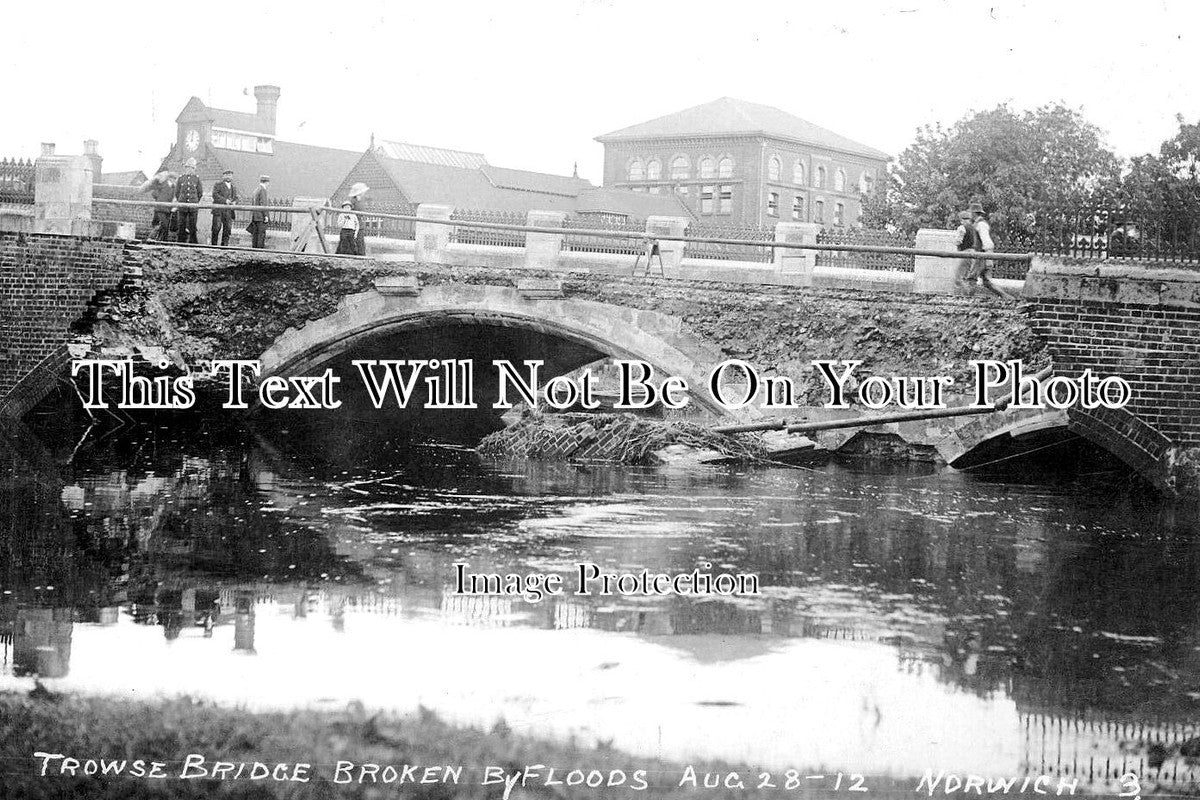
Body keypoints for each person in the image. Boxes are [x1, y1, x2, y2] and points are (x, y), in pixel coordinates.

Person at [967, 202, 1014, 299]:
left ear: (974, 213)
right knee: (986, 281)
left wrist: (987, 256)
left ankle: (968, 299)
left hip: (981, 255)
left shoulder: (981, 224)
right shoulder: (978, 224)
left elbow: (987, 242)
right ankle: (1007, 297)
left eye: (971, 213)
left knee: (971, 278)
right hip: (982, 254)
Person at [139, 170, 176, 241]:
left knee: (165, 226)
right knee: (161, 225)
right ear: (170, 178)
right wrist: (160, 199)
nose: (174, 181)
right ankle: (151, 238)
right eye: (173, 179)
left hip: (168, 209)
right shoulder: (163, 184)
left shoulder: (173, 187)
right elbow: (154, 194)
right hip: (160, 208)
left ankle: (161, 241)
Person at [174, 158, 204, 244]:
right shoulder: (181, 178)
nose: (189, 169)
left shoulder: (196, 179)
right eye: (187, 167)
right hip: (182, 205)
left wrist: (194, 202)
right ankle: (180, 242)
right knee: (181, 224)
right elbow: (177, 192)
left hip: (193, 205)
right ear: (185, 168)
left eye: (191, 168)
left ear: (194, 169)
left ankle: (193, 243)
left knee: (192, 225)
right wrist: (181, 201)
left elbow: (200, 193)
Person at [210, 169, 238, 246]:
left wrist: (235, 202)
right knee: (216, 228)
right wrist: (225, 200)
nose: (228, 177)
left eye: (230, 175)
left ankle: (224, 246)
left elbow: (236, 197)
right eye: (227, 175)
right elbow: (215, 195)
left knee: (227, 229)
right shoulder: (218, 185)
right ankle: (214, 246)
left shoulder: (233, 187)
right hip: (218, 211)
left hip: (229, 212)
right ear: (223, 176)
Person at [347, 182, 369, 255]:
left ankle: (360, 255)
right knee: (356, 242)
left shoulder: (360, 201)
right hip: (354, 225)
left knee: (360, 242)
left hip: (359, 225)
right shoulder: (353, 201)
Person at [249, 175, 270, 249]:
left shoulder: (256, 190)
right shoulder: (263, 190)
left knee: (255, 234)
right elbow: (263, 204)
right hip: (261, 216)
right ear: (267, 182)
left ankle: (254, 249)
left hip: (255, 216)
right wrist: (266, 216)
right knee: (261, 234)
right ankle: (260, 250)